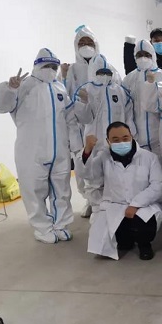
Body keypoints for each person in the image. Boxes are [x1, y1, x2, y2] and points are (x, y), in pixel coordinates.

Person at [0, 49, 81, 243]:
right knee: (34, 190)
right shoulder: (24, 86)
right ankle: (42, 228)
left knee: (62, 189)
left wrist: (76, 146)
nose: (50, 69)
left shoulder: (60, 88)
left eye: (54, 66)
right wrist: (9, 88)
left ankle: (60, 224)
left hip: (59, 150)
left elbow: (70, 119)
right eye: (46, 65)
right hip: (31, 151)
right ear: (36, 65)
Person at [78, 122, 162, 260]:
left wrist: (135, 204)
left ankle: (144, 245)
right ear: (108, 141)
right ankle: (125, 240)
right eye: (115, 140)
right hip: (115, 204)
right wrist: (87, 150)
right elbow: (89, 175)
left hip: (143, 206)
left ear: (131, 136)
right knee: (119, 240)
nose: (121, 142)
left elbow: (158, 185)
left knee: (144, 225)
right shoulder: (103, 157)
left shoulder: (149, 157)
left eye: (125, 138)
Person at [73, 54, 134, 216]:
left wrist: (131, 137)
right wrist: (84, 102)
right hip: (95, 141)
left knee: (117, 175)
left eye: (107, 72)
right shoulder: (85, 89)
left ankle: (116, 206)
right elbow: (83, 118)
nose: (104, 75)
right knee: (93, 178)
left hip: (117, 143)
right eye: (100, 72)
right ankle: (95, 207)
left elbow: (128, 116)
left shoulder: (120, 91)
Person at [60, 25, 101, 218]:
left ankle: (100, 200)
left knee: (100, 163)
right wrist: (64, 76)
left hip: (98, 123)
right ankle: (89, 200)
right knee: (81, 164)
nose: (86, 46)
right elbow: (63, 97)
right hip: (78, 126)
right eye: (81, 43)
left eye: (89, 42)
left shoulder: (104, 66)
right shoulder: (71, 69)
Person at [122, 40, 162, 156]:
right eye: (139, 55)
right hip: (138, 137)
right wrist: (131, 130)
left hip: (160, 137)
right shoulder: (128, 79)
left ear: (153, 55)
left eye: (147, 55)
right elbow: (126, 108)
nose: (143, 58)